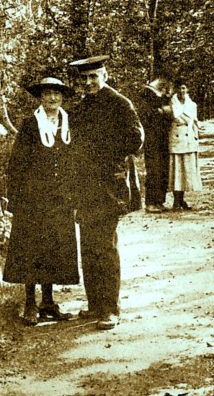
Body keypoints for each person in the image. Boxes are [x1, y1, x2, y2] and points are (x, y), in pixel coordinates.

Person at [68, 55, 144, 330]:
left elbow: (136, 140)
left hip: (109, 185)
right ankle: (94, 305)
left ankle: (110, 309)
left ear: (105, 75)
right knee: (87, 246)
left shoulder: (120, 104)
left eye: (93, 77)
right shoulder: (81, 107)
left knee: (104, 246)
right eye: (84, 79)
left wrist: (105, 152)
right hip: (84, 185)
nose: (88, 83)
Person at [2, 76, 79, 326]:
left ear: (62, 97)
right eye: (47, 94)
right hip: (33, 201)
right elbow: (17, 165)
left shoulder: (68, 124)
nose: (52, 99)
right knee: (31, 249)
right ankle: (30, 303)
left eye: (57, 94)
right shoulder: (30, 125)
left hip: (60, 200)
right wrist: (16, 198)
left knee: (54, 249)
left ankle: (48, 301)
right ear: (40, 98)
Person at [137, 77, 173, 213]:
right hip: (151, 140)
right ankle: (151, 202)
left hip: (162, 139)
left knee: (163, 169)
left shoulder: (163, 104)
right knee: (154, 170)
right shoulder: (146, 106)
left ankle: (159, 200)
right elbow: (145, 121)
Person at [168, 81, 202, 209]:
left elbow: (194, 121)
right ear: (176, 90)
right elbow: (177, 118)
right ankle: (176, 201)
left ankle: (181, 200)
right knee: (176, 169)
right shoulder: (171, 104)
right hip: (176, 139)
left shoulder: (192, 105)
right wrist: (189, 120)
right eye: (179, 88)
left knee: (185, 171)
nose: (182, 91)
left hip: (188, 140)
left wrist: (197, 130)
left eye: (184, 88)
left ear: (187, 89)